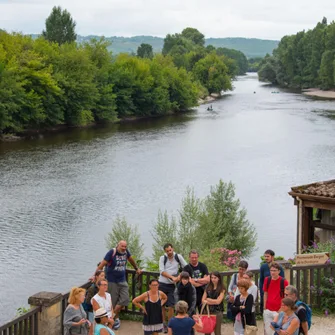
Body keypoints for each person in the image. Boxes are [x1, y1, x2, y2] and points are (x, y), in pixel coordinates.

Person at [92, 240, 142, 330]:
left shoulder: (126, 252)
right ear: (118, 245)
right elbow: (102, 264)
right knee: (113, 301)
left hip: (122, 280)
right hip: (111, 281)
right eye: (122, 246)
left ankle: (111, 317)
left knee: (125, 299)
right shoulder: (112, 252)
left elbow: (131, 260)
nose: (124, 248)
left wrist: (137, 268)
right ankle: (114, 320)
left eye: (125, 246)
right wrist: (94, 275)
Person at [158, 243, 187, 332]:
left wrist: (179, 276)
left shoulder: (178, 257)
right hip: (162, 283)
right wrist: (172, 277)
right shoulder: (162, 258)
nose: (169, 252)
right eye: (167, 251)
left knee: (171, 305)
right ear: (165, 251)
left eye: (170, 250)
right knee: (161, 305)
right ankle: (164, 324)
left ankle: (170, 324)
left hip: (172, 285)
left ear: (173, 249)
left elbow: (186, 267)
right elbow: (162, 271)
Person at [263, 262, 289, 335]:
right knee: (268, 330)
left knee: (279, 330)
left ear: (279, 271)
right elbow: (265, 293)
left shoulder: (284, 282)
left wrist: (282, 309)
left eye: (274, 270)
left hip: (279, 310)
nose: (272, 272)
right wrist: (264, 307)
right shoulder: (267, 280)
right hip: (268, 309)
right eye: (271, 270)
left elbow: (287, 297)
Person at [259, 249, 284, 314]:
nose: (266, 258)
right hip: (266, 291)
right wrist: (262, 290)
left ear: (272, 257)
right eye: (265, 256)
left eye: (268, 256)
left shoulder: (279, 267)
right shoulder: (263, 267)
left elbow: (282, 279)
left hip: (276, 292)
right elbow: (261, 280)